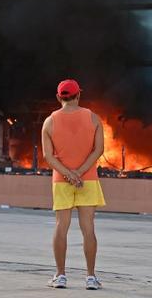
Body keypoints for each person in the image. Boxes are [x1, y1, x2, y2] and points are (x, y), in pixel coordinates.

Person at [41, 79, 106, 290]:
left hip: (62, 181)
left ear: (59, 97)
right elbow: (98, 151)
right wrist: (79, 172)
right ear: (79, 95)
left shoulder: (49, 122)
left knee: (61, 227)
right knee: (88, 228)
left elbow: (48, 156)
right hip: (87, 179)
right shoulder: (94, 118)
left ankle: (60, 276)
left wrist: (69, 174)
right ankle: (90, 277)